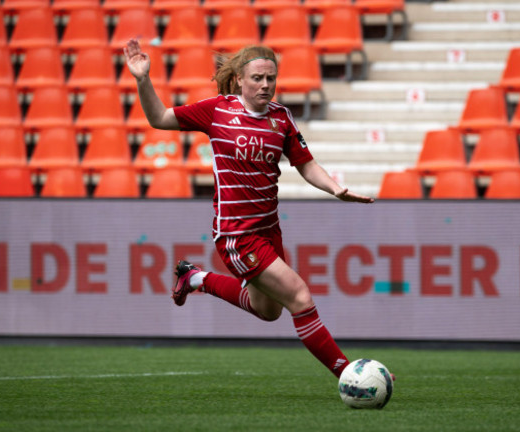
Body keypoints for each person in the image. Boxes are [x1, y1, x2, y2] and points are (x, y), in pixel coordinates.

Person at [124, 39, 375, 379]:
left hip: (269, 230)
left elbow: (305, 164)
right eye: (257, 78)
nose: (265, 85)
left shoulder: (281, 118)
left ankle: (195, 277)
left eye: (271, 78)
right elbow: (159, 118)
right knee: (299, 295)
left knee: (268, 310)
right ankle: (350, 375)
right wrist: (142, 79)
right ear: (240, 79)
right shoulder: (218, 110)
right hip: (236, 234)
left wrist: (334, 188)